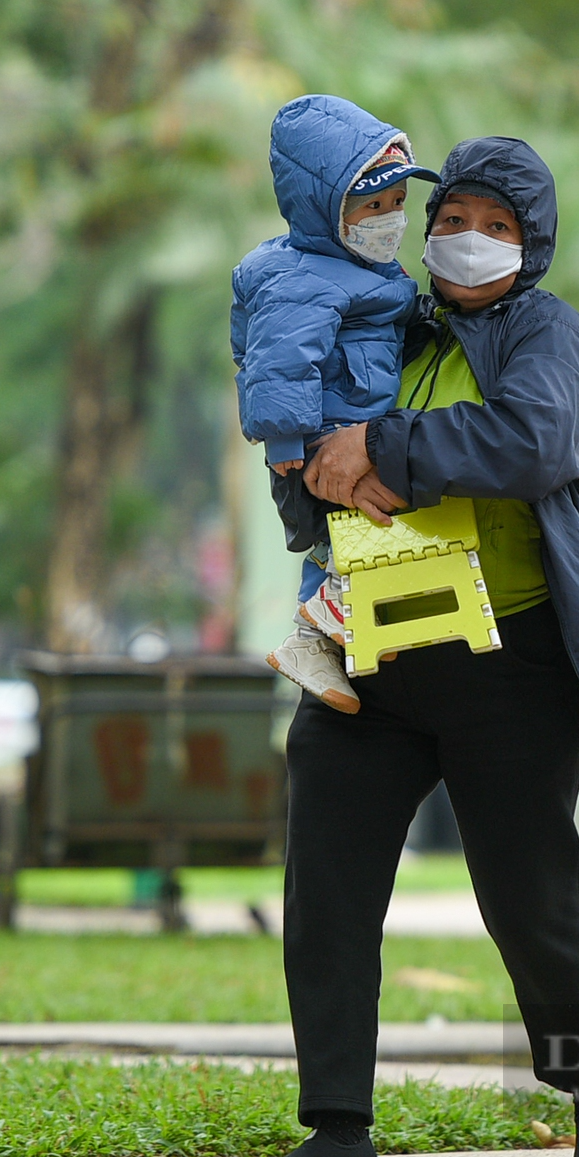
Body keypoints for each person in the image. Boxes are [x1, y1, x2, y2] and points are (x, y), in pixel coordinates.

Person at [236, 137, 579, 1157]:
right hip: (371, 661)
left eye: (497, 227)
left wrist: (383, 453)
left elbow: (535, 444)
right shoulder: (377, 317)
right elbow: (303, 461)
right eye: (454, 220)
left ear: (530, 244)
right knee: (329, 894)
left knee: (532, 901)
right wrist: (309, 475)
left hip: (510, 666)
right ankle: (337, 1125)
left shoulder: (545, 329)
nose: (469, 241)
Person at [229, 94, 440, 715]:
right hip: (321, 441)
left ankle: (332, 635)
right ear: (327, 208)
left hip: (354, 427)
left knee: (349, 539)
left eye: (398, 203)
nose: (390, 218)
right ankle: (312, 636)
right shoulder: (301, 277)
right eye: (372, 205)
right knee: (341, 539)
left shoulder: (364, 270)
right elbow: (278, 361)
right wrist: (290, 442)